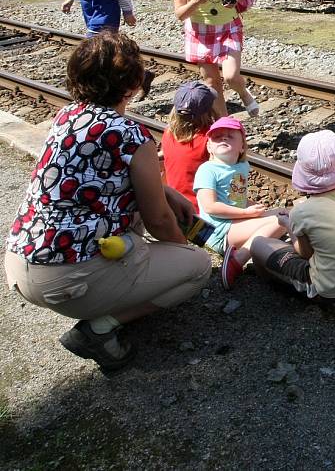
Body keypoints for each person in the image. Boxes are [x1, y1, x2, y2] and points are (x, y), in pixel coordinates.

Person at [4, 32, 212, 372]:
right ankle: (99, 329)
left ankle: (112, 288)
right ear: (131, 85)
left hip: (22, 260)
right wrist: (183, 249)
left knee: (137, 217)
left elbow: (103, 177)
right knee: (197, 268)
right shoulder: (132, 136)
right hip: (67, 279)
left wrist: (168, 192)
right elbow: (159, 221)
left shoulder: (68, 115)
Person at [250, 130, 335, 300]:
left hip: (329, 288)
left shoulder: (301, 212)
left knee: (258, 244)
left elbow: (304, 254)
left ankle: (272, 292)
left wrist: (288, 225)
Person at [170, 0, 259, 117]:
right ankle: (223, 123)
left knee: (230, 76)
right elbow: (180, 13)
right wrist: (194, 2)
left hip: (229, 26)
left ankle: (244, 94)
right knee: (211, 82)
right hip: (199, 31)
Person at [193, 116, 286, 289]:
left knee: (283, 213)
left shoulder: (242, 166)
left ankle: (256, 244)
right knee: (280, 220)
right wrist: (246, 214)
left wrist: (250, 206)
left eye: (230, 135)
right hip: (217, 230)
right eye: (217, 136)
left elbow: (236, 199)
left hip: (233, 223)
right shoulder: (207, 170)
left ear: (242, 146)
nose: (223, 138)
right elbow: (210, 206)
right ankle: (238, 259)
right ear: (209, 147)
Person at [161, 81, 217, 211]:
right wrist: (219, 117)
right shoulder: (210, 139)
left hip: (173, 206)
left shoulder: (168, 134)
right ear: (209, 111)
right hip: (200, 213)